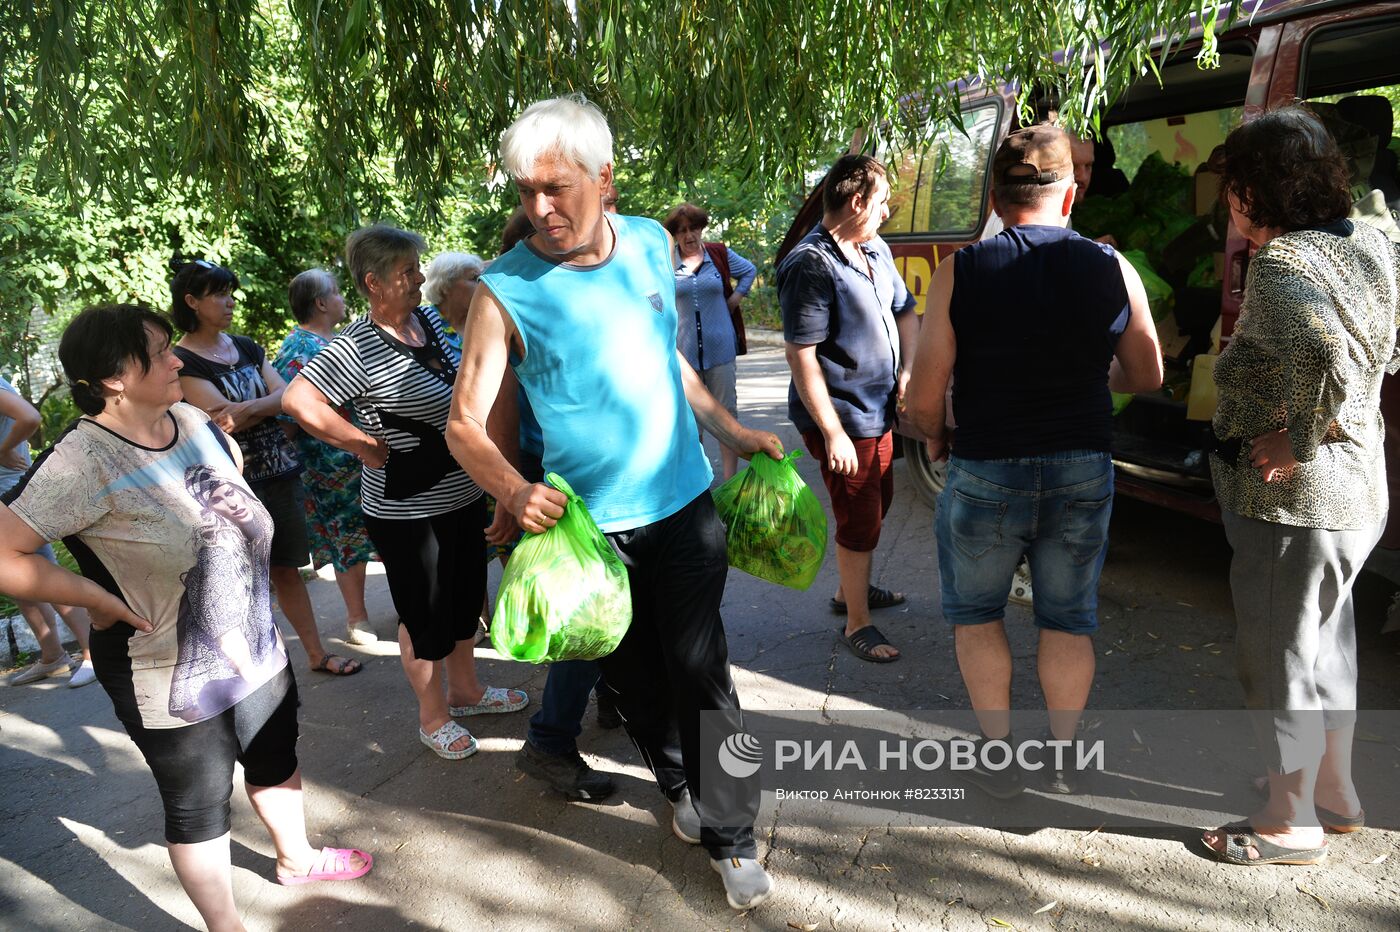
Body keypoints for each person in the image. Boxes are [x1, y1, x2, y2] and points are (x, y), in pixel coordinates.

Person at [447, 94, 781, 911]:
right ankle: (681, 791)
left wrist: (730, 430)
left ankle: (734, 836)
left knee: (704, 668)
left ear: (604, 179)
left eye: (556, 189)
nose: (539, 209)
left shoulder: (649, 244)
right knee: (635, 682)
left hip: (683, 505)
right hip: (589, 537)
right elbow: (462, 423)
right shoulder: (504, 291)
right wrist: (513, 489)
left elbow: (663, 356)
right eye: (525, 191)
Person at [0, 304, 371, 932]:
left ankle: (296, 858)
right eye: (160, 351)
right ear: (114, 377)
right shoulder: (79, 460)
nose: (177, 359)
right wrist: (96, 599)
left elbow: (227, 474)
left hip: (254, 639)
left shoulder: (190, 417)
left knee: (276, 753)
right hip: (162, 663)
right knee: (199, 804)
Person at [905, 124, 1163, 797]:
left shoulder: (963, 269)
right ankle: (1064, 758)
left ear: (996, 197)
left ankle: (998, 761)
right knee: (1067, 617)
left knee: (979, 615)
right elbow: (1148, 373)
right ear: (1070, 195)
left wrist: (933, 436)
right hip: (1082, 463)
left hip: (988, 463)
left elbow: (926, 395)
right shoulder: (1113, 266)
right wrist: (1082, 376)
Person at [1198, 107, 1400, 866]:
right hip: (1360, 495)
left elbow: (1326, 354)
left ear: (1257, 189)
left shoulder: (1285, 265)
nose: (1229, 205)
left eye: (1234, 188)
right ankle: (1335, 793)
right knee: (1329, 644)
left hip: (1296, 500)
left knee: (1279, 655)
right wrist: (1342, 420)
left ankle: (1289, 819)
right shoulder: (1373, 243)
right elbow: (1383, 349)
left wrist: (1299, 435)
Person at [282, 224, 527, 762]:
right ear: (374, 283)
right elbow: (299, 401)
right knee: (423, 614)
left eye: (417, 269)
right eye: (407, 272)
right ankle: (432, 715)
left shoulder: (427, 324)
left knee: (464, 600)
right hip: (405, 509)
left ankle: (466, 692)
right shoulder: (357, 346)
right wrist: (362, 444)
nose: (419, 279)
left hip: (459, 491)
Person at [170, 259, 361, 678]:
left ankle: (314, 654)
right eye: (219, 294)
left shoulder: (247, 346)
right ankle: (254, 670)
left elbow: (291, 396)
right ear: (191, 301)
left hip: (280, 473)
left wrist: (250, 409)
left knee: (287, 570)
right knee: (241, 581)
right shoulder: (182, 360)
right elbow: (218, 418)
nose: (229, 301)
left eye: (229, 292)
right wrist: (265, 405)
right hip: (229, 485)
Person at [778, 154, 918, 663]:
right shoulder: (809, 264)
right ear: (856, 202)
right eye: (881, 203)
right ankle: (857, 623)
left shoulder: (873, 248)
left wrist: (906, 372)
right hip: (845, 417)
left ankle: (848, 592)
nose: (885, 214)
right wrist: (832, 431)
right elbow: (801, 354)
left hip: (880, 409)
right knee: (858, 515)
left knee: (877, 503)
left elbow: (906, 311)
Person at [272, 270, 379, 646]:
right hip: (331, 468)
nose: (342, 298)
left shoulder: (341, 338)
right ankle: (357, 618)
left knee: (385, 532)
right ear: (320, 302)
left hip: (366, 458)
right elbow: (289, 418)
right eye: (335, 293)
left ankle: (407, 609)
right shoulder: (297, 349)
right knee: (346, 539)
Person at [0, 377, 95, 687]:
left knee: (40, 573)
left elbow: (29, 416)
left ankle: (93, 652)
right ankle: (52, 655)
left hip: (7, 490)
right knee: (13, 577)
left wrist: (2, 451)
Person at [663, 203, 758, 481]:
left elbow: (749, 271)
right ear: (675, 235)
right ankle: (699, 486)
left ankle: (730, 483)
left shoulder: (718, 255)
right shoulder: (667, 262)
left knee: (727, 415)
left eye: (693, 228)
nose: (689, 235)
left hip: (721, 350)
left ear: (701, 228)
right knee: (692, 424)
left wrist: (736, 298)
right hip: (685, 355)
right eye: (682, 231)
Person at [422, 251, 485, 353]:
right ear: (445, 286)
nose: (483, 285)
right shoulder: (424, 326)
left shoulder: (485, 321)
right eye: (474, 278)